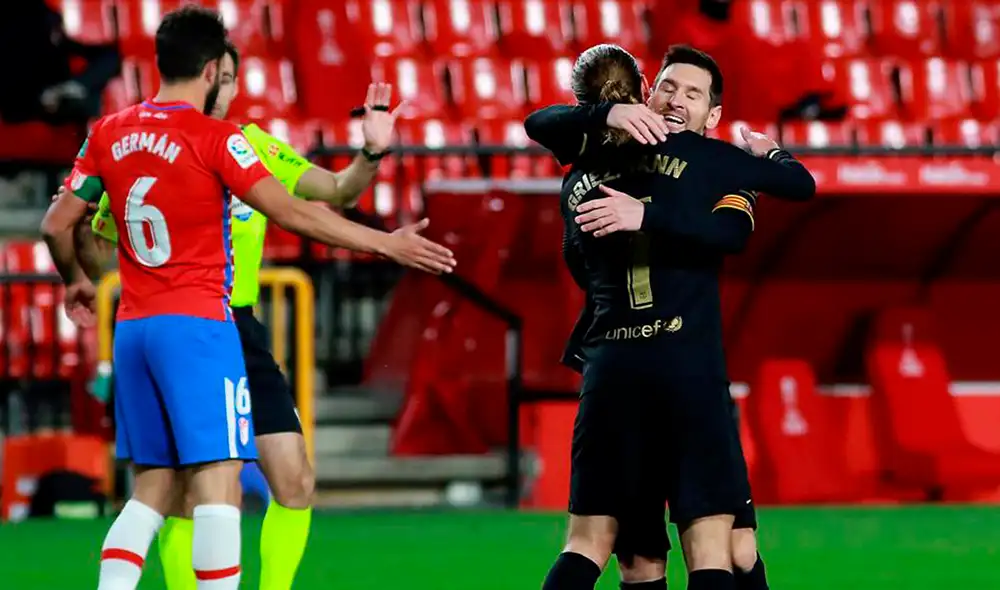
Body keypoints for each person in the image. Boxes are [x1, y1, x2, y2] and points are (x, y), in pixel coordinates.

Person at [40, 6, 454, 590]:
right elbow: (292, 213)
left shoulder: (118, 134)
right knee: (212, 486)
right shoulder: (220, 142)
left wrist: (370, 153)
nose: (230, 89)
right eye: (227, 76)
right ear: (211, 72)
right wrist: (386, 244)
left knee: (176, 486)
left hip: (158, 326)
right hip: (202, 325)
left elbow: (63, 226)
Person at [524, 44, 814, 590]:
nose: (678, 99)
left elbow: (539, 123)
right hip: (687, 368)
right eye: (669, 87)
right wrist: (771, 155)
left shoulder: (581, 169)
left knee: (613, 551)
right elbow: (791, 192)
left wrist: (605, 118)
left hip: (610, 367)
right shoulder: (710, 162)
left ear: (713, 112)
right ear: (646, 93)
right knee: (718, 548)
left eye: (692, 93)